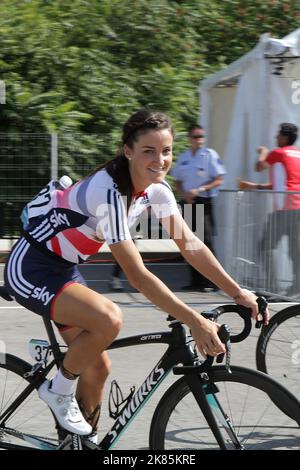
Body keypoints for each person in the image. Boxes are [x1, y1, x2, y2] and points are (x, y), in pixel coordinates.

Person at [4, 108, 267, 444]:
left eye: (167, 151)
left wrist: (238, 293)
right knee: (110, 318)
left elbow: (191, 245)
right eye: (149, 151)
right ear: (128, 151)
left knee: (99, 369)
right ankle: (58, 389)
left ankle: (82, 442)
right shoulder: (109, 191)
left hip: (64, 271)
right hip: (31, 267)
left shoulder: (157, 191)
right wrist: (195, 320)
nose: (160, 160)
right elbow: (138, 277)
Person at [172, 125, 226, 291]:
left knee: (206, 242)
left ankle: (214, 282)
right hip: (188, 202)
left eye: (201, 136)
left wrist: (200, 189)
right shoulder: (184, 156)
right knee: (188, 243)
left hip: (203, 200)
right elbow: (177, 180)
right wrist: (184, 194)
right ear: (189, 138)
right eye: (196, 136)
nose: (199, 140)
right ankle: (196, 281)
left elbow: (219, 179)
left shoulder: (209, 155)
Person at [255, 122, 300, 295]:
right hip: (298, 206)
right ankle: (297, 286)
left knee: (264, 246)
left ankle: (271, 288)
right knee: (295, 249)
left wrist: (262, 153)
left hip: (284, 208)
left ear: (285, 138)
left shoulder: (278, 153)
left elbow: (259, 167)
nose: (276, 138)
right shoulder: (298, 154)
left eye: (278, 135)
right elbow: (283, 183)